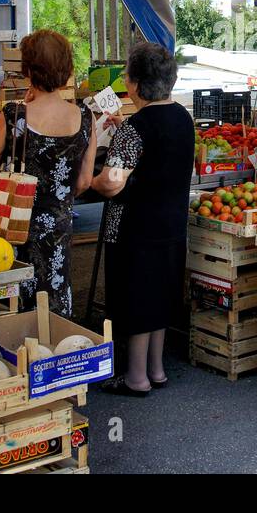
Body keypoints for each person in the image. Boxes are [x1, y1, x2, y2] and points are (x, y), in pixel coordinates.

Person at [91, 42, 195, 395]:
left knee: (136, 297)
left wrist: (89, 180)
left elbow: (111, 183)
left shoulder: (135, 127)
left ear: (135, 84)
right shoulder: (183, 117)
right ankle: (156, 368)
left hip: (135, 228)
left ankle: (135, 377)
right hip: (171, 224)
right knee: (162, 292)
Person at [0, 30, 96, 315]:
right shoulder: (85, 117)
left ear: (27, 69)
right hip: (58, 228)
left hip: (15, 228)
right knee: (53, 305)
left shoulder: (14, 114)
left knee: (16, 306)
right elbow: (83, 182)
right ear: (66, 69)